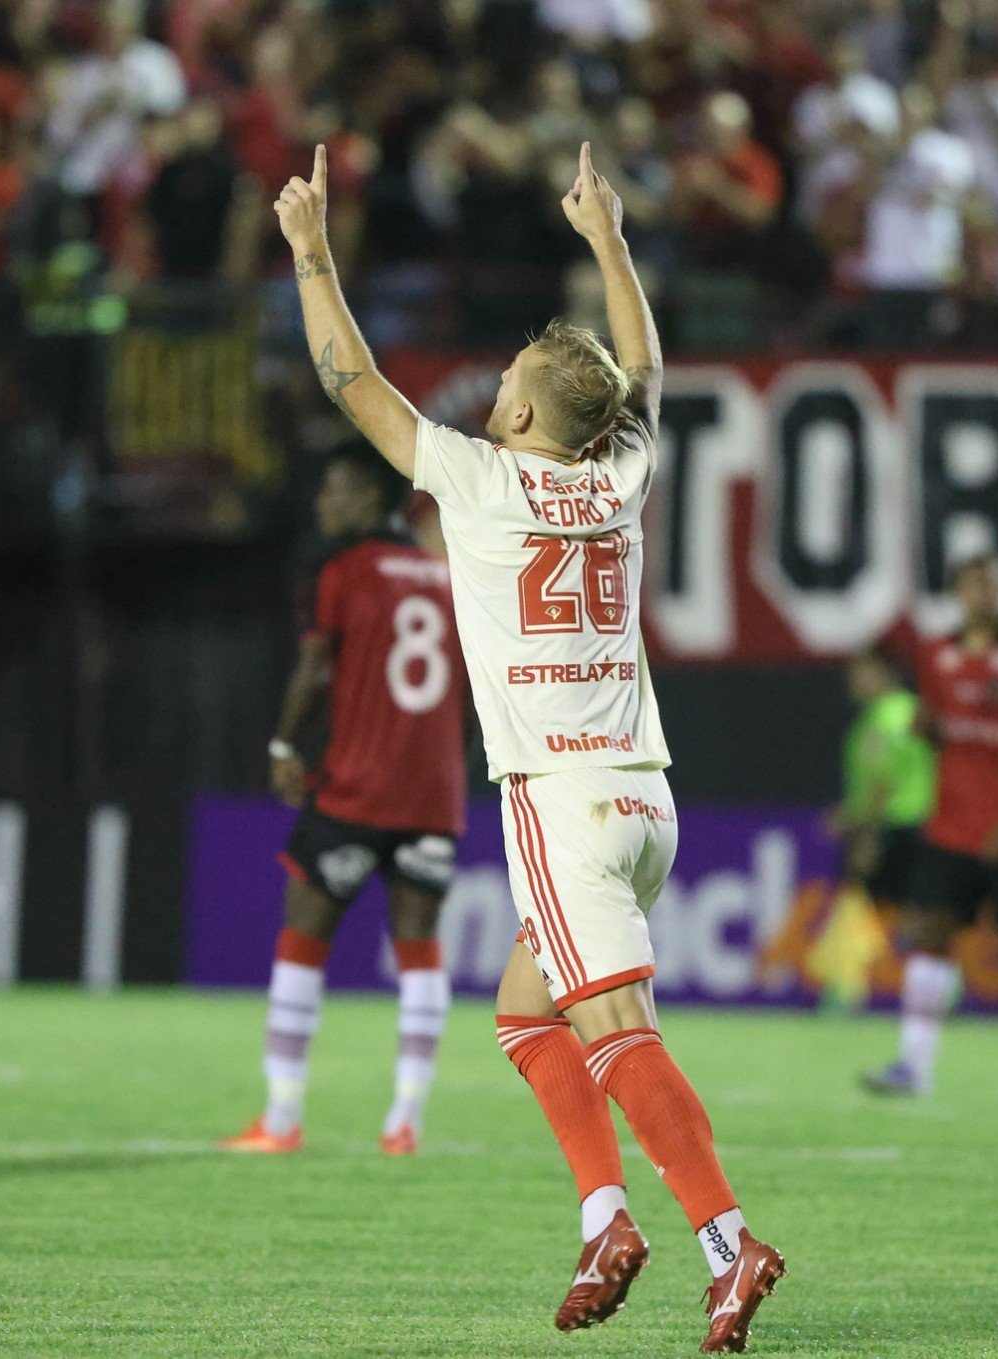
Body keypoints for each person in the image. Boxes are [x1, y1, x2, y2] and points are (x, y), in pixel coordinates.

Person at [271, 141, 786, 1353]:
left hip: (558, 803)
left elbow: (352, 383)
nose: (490, 386)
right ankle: (608, 1219)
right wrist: (608, 239)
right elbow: (646, 370)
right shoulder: (621, 471)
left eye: (504, 375)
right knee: (521, 1013)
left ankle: (727, 1240)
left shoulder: (480, 480)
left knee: (615, 1033)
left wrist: (311, 255)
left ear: (515, 411)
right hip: (646, 803)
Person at [219, 446, 467, 1157]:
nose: (324, 504)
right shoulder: (449, 577)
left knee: (303, 936)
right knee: (420, 946)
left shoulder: (342, 570)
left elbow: (315, 666)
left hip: (356, 791)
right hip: (432, 793)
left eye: (335, 490)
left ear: (369, 495)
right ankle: (405, 1122)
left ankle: (282, 1115)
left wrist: (283, 746)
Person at [863, 552, 998, 1104]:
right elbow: (944, 734)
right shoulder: (936, 656)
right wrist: (927, 729)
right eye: (971, 585)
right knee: (931, 935)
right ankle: (914, 1066)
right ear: (957, 592)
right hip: (952, 827)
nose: (981, 595)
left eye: (992, 585)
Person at [827, 647, 935, 913]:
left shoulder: (886, 718)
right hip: (924, 830)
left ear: (885, 673)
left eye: (861, 672)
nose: (853, 681)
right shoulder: (912, 710)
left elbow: (882, 781)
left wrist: (867, 834)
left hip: (896, 832)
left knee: (877, 923)